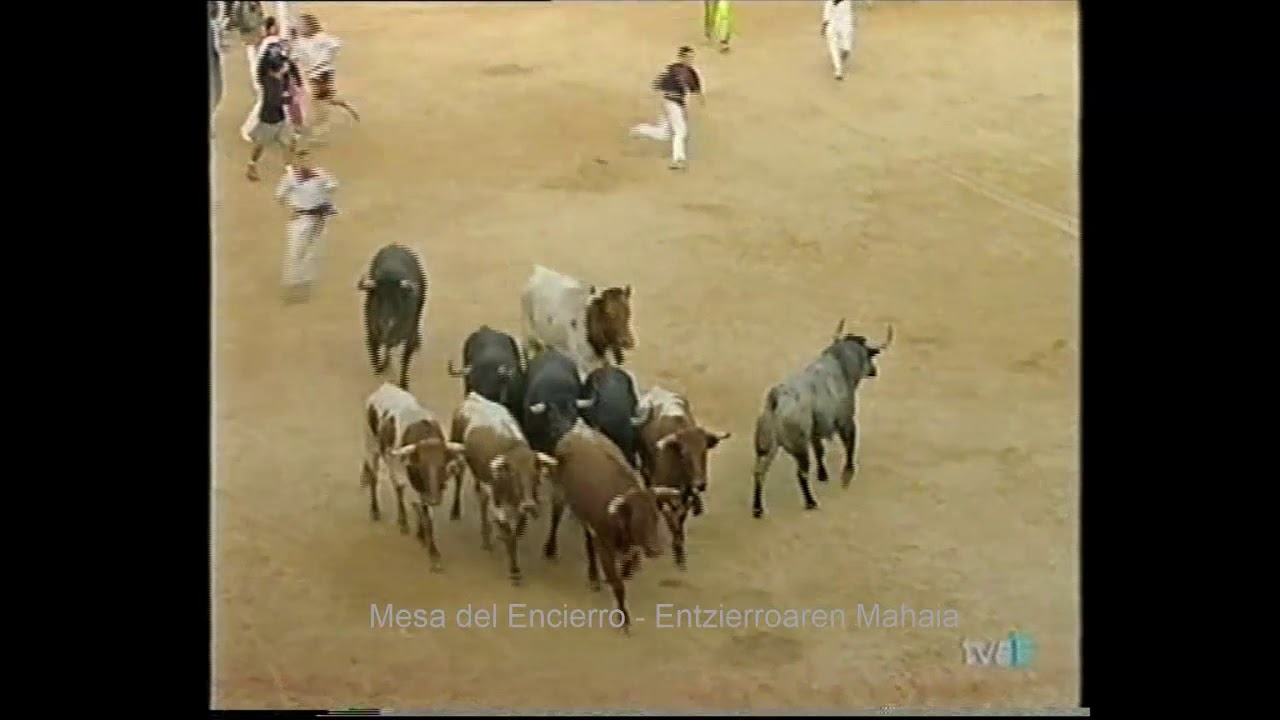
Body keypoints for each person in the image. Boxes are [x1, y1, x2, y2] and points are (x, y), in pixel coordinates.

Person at [274, 147, 339, 303]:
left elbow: (333, 187)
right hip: (300, 218)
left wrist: (325, 198)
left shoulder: (320, 173)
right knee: (295, 251)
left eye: (308, 159)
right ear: (296, 160)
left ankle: (304, 285)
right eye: (301, 159)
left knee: (313, 251)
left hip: (318, 218)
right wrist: (291, 210)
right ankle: (292, 285)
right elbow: (279, 196)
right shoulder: (290, 177)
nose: (305, 162)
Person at [629, 46, 704, 171]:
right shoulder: (675, 70)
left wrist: (699, 98)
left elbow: (695, 89)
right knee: (680, 131)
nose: (690, 59)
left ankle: (639, 130)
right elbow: (659, 83)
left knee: (664, 133)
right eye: (688, 57)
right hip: (671, 103)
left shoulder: (689, 72)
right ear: (681, 57)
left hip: (674, 104)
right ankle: (678, 159)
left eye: (691, 57)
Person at [295, 14, 360, 141]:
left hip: (322, 73)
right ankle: (343, 107)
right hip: (313, 73)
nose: (299, 27)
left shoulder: (321, 38)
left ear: (310, 26)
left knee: (317, 99)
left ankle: (319, 127)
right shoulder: (301, 41)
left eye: (301, 25)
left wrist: (325, 59)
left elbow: (336, 44)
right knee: (324, 98)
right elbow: (297, 55)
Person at [246, 56, 296, 182]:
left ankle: (289, 168)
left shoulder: (276, 78)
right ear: (277, 69)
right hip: (270, 120)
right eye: (284, 66)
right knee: (260, 145)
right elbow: (274, 101)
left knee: (289, 142)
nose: (286, 67)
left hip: (278, 118)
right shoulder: (272, 83)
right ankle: (251, 165)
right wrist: (288, 100)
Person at [229, 1, 266, 87]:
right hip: (251, 37)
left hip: (255, 37)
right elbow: (240, 21)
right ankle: (258, 86)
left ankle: (259, 86)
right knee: (255, 64)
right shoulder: (241, 4)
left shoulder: (242, 4)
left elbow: (235, 20)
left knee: (257, 63)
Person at [821, 0, 856, 81]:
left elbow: (849, 14)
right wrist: (824, 26)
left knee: (846, 49)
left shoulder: (847, 2)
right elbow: (826, 15)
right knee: (833, 47)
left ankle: (839, 61)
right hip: (832, 25)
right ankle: (838, 70)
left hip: (845, 25)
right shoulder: (829, 2)